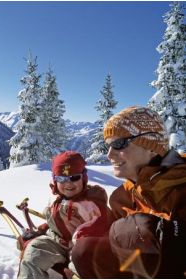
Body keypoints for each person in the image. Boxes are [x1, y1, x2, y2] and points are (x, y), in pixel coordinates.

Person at [72, 106, 186, 278]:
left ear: (151, 145)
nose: (109, 154)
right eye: (108, 146)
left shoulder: (181, 185)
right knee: (85, 250)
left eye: (119, 144)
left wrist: (169, 237)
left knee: (134, 229)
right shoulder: (122, 197)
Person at [17, 151, 112, 278]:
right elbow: (56, 222)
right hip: (59, 242)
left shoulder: (91, 205)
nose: (68, 183)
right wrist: (42, 230)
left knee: (82, 266)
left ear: (83, 178)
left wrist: (75, 260)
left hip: (84, 250)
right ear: (55, 180)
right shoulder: (56, 198)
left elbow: (93, 234)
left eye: (74, 177)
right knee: (33, 251)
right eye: (61, 178)